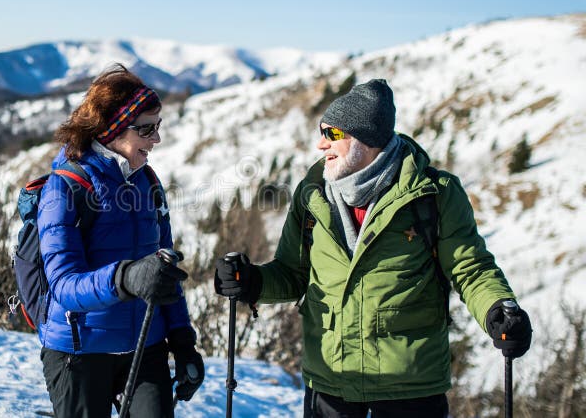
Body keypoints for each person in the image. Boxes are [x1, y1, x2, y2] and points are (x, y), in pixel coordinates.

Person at [214, 79, 533, 417]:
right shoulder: (312, 195)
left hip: (408, 386)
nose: (321, 145)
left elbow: (471, 269)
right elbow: (293, 274)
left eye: (333, 134)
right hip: (330, 381)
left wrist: (498, 307)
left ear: (365, 139)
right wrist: (250, 282)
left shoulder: (433, 194)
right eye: (321, 132)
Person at [37, 64, 204, 417]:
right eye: (145, 129)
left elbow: (163, 273)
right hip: (80, 352)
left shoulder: (148, 183)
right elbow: (64, 285)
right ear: (112, 129)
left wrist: (183, 342)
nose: (155, 139)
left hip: (145, 345)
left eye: (157, 127)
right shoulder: (65, 187)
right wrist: (125, 278)